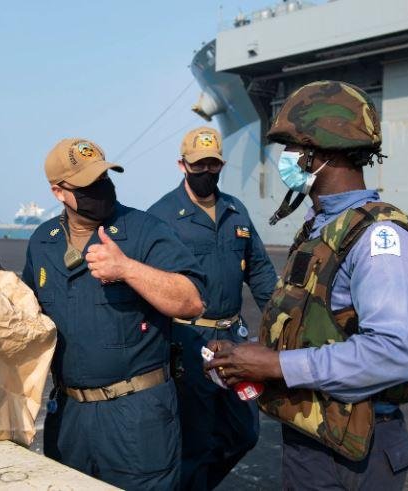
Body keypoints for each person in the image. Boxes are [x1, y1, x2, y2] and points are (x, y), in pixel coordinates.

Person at [205, 80, 408, 490]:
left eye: (291, 148)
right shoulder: (325, 227)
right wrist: (253, 357)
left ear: (318, 152)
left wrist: (276, 366)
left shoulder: (380, 237)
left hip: (355, 451)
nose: (287, 159)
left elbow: (394, 352)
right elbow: (319, 326)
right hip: (317, 438)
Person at [22, 138, 206, 490]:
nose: (100, 189)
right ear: (59, 192)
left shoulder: (145, 230)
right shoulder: (43, 241)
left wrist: (127, 269)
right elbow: (30, 313)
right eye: (88, 184)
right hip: (70, 416)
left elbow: (192, 301)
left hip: (135, 417)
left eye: (104, 178)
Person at [146, 126, 277, 490]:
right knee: (196, 437)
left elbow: (261, 269)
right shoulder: (162, 216)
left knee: (245, 432)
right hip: (188, 337)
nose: (206, 172)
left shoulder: (236, 211)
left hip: (233, 335)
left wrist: (284, 317)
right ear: (182, 164)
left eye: (213, 165)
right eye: (198, 165)